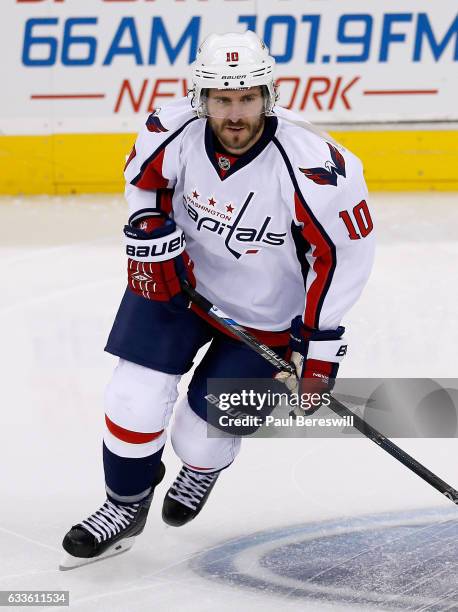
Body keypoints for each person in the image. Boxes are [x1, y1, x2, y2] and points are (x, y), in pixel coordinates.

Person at [60, 30, 375, 570]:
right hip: (176, 288)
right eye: (222, 99)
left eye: (247, 98)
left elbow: (341, 258)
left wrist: (317, 350)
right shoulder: (171, 129)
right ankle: (124, 505)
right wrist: (149, 224)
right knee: (132, 399)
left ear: (268, 96)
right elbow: (143, 181)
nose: (234, 114)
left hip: (265, 317)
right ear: (200, 97)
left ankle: (204, 468)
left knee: (199, 442)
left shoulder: (318, 168)